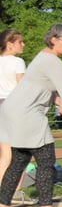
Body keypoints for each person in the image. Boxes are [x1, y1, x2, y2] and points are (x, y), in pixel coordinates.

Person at [0, 23, 62, 207]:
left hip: (13, 110)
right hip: (28, 114)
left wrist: (59, 102)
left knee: (18, 161)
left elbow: (44, 89)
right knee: (46, 161)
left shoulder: (41, 57)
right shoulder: (53, 62)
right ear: (53, 40)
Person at [0, 29, 26, 187]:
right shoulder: (18, 62)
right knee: (20, 154)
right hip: (14, 106)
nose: (23, 45)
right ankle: (14, 191)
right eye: (20, 42)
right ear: (9, 44)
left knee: (5, 154)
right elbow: (22, 88)